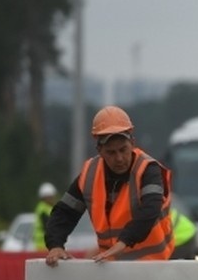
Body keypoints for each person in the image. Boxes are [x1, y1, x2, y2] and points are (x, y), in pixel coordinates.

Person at [44, 105, 174, 266]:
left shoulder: (148, 169)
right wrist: (55, 245)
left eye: (123, 149)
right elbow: (64, 213)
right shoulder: (89, 174)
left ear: (132, 143)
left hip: (152, 266)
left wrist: (124, 242)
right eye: (111, 152)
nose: (119, 158)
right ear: (99, 150)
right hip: (112, 266)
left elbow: (150, 208)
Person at [32, 182, 58, 251]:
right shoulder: (42, 208)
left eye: (52, 197)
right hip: (43, 245)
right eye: (49, 197)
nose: (52, 199)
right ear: (44, 198)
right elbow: (48, 225)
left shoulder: (48, 207)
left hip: (46, 244)